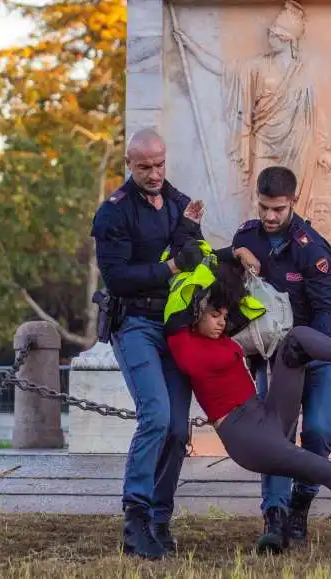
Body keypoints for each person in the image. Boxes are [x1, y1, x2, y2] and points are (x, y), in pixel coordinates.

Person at [164, 262, 331, 535]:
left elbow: (222, 272)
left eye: (224, 315)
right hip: (246, 436)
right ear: (197, 312)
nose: (222, 322)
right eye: (215, 315)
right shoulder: (181, 340)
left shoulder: (220, 337)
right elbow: (184, 290)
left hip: (265, 413)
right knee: (321, 468)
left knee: (294, 340)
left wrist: (237, 256)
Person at [214, 165, 331, 552]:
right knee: (275, 436)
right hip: (272, 353)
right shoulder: (247, 237)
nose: (270, 217)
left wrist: (304, 356)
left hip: (319, 349)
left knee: (319, 433)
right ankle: (273, 518)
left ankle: (300, 508)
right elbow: (224, 282)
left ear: (294, 201)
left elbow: (327, 311)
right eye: (264, 207)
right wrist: (233, 256)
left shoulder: (315, 250)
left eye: (278, 208)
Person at [90, 128, 206, 559]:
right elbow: (117, 277)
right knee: (155, 415)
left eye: (160, 164)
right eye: (145, 167)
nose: (155, 173)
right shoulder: (113, 214)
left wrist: (192, 236)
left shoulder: (180, 204)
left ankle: (160, 518)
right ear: (129, 164)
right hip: (135, 323)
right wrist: (174, 264)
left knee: (178, 430)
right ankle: (134, 518)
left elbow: (192, 255)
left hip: (176, 326)